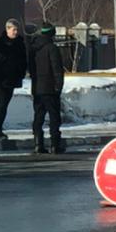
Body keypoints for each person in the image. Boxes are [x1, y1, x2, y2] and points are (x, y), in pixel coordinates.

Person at [28, 21, 65, 154]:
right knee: (54, 116)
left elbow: (31, 69)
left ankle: (38, 144)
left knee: (38, 116)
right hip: (50, 88)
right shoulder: (51, 48)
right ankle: (55, 145)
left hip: (37, 88)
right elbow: (57, 69)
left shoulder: (33, 48)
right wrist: (58, 86)